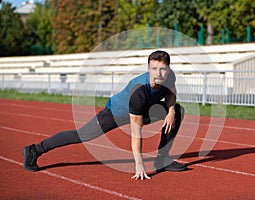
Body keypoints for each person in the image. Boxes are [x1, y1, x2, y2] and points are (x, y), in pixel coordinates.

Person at [23, 50, 187, 180]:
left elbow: (171, 94)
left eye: (163, 69)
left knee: (178, 110)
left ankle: (162, 158)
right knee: (83, 135)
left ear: (169, 70)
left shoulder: (170, 77)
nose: (158, 73)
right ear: (148, 69)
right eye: (154, 69)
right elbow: (136, 132)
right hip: (116, 113)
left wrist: (171, 111)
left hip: (145, 109)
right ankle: (35, 150)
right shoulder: (139, 91)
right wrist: (139, 164)